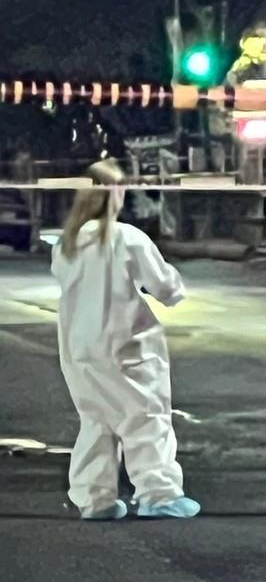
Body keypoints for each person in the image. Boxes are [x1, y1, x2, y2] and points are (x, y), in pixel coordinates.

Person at [51, 160, 199, 520]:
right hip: (126, 346)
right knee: (145, 418)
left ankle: (94, 499)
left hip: (79, 347)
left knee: (96, 421)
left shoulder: (66, 244)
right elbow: (165, 287)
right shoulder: (127, 237)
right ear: (115, 192)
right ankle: (158, 494)